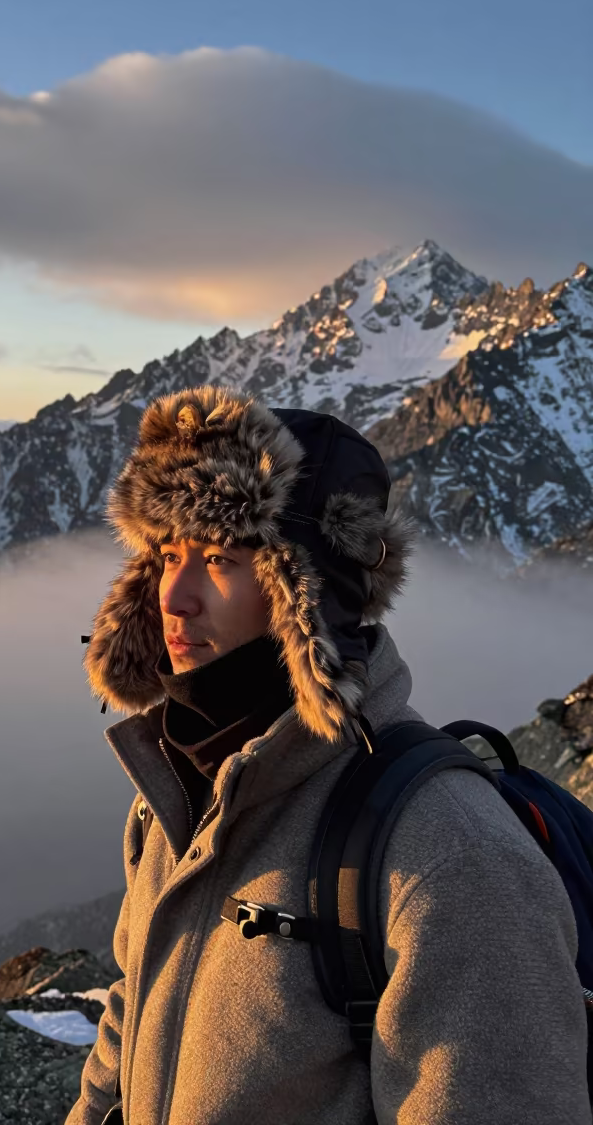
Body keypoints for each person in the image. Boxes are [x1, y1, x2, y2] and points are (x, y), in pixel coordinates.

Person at [66, 384, 590, 1125]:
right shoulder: (177, 792)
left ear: (302, 596)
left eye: (219, 557)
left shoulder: (449, 856)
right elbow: (132, 1014)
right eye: (166, 552)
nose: (173, 596)